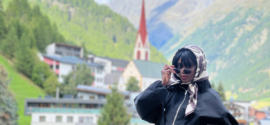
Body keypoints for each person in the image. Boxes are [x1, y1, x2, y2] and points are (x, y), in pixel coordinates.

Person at [134, 45, 238, 125]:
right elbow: (142, 106)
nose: (182, 71)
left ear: (199, 67)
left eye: (188, 66)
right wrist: (162, 84)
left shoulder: (210, 96)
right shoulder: (168, 91)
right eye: (179, 67)